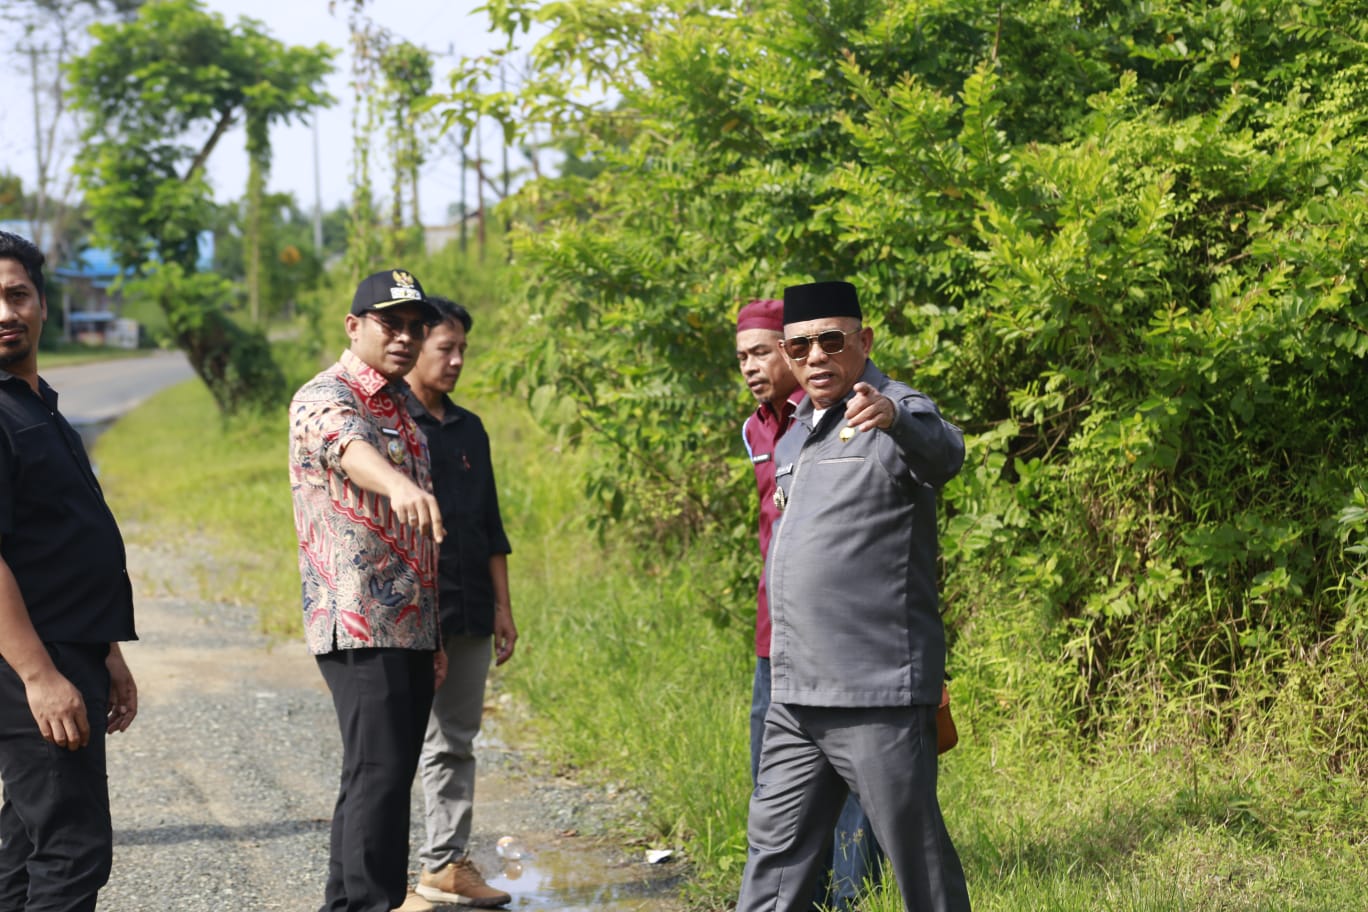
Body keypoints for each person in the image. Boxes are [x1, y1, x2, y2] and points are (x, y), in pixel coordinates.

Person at [736, 280, 971, 912]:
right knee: (773, 861)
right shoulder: (792, 436)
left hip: (876, 694)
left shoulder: (893, 408)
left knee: (916, 863)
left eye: (831, 341)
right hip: (794, 695)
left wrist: (895, 419)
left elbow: (946, 450)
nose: (815, 356)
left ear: (863, 342)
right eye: (800, 345)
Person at [289, 268, 449, 912]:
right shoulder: (325, 395)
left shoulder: (402, 411)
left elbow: (417, 543)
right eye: (392, 325)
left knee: (380, 779)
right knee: (378, 778)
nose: (406, 338)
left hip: (409, 626)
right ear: (354, 327)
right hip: (357, 621)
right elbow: (343, 445)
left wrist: (433, 635)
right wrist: (400, 485)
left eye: (416, 327)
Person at [0, 229, 139, 912]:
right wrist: (38, 675)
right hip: (32, 657)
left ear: (43, 306)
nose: (4, 312)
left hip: (72, 646)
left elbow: (62, 542)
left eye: (16, 294)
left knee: (28, 839)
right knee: (72, 846)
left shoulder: (36, 404)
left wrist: (106, 650)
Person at [735, 298, 884, 910]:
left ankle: (851, 902)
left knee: (859, 796)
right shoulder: (758, 428)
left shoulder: (850, 413)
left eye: (764, 352)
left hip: (846, 647)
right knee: (777, 793)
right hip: (776, 641)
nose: (752, 366)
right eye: (742, 356)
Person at [404, 297, 516, 908]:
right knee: (395, 744)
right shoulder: (392, 427)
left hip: (469, 607)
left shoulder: (469, 428)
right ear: (415, 345)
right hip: (408, 612)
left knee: (455, 739)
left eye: (462, 351)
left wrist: (503, 607)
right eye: (444, 348)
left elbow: (490, 525)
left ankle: (444, 863)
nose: (455, 361)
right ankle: (376, 875)